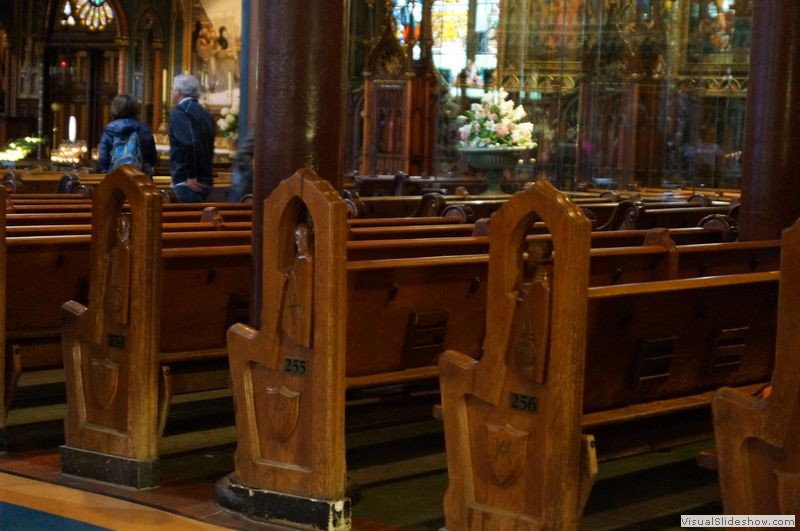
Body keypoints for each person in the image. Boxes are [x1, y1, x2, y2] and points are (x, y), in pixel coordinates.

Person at [168, 74, 216, 202]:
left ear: (178, 92)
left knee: (182, 220)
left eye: (173, 89)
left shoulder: (179, 112)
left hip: (188, 182)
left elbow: (189, 143)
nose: (172, 92)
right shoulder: (205, 113)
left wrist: (191, 175)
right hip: (206, 178)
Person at [97, 94, 157, 176]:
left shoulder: (109, 130)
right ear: (135, 109)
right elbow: (153, 160)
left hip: (115, 179)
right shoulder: (144, 130)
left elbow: (103, 161)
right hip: (140, 179)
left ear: (114, 109)